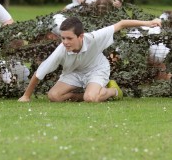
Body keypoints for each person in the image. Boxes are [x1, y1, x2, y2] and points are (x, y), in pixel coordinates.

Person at [18, 16, 161, 103]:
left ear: (81, 36)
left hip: (96, 70)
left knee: (91, 99)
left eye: (69, 38)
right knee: (54, 96)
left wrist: (149, 23)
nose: (65, 42)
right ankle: (86, 93)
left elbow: (121, 24)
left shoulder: (94, 37)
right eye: (63, 38)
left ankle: (114, 91)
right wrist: (26, 96)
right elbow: (40, 72)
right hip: (73, 73)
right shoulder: (61, 50)